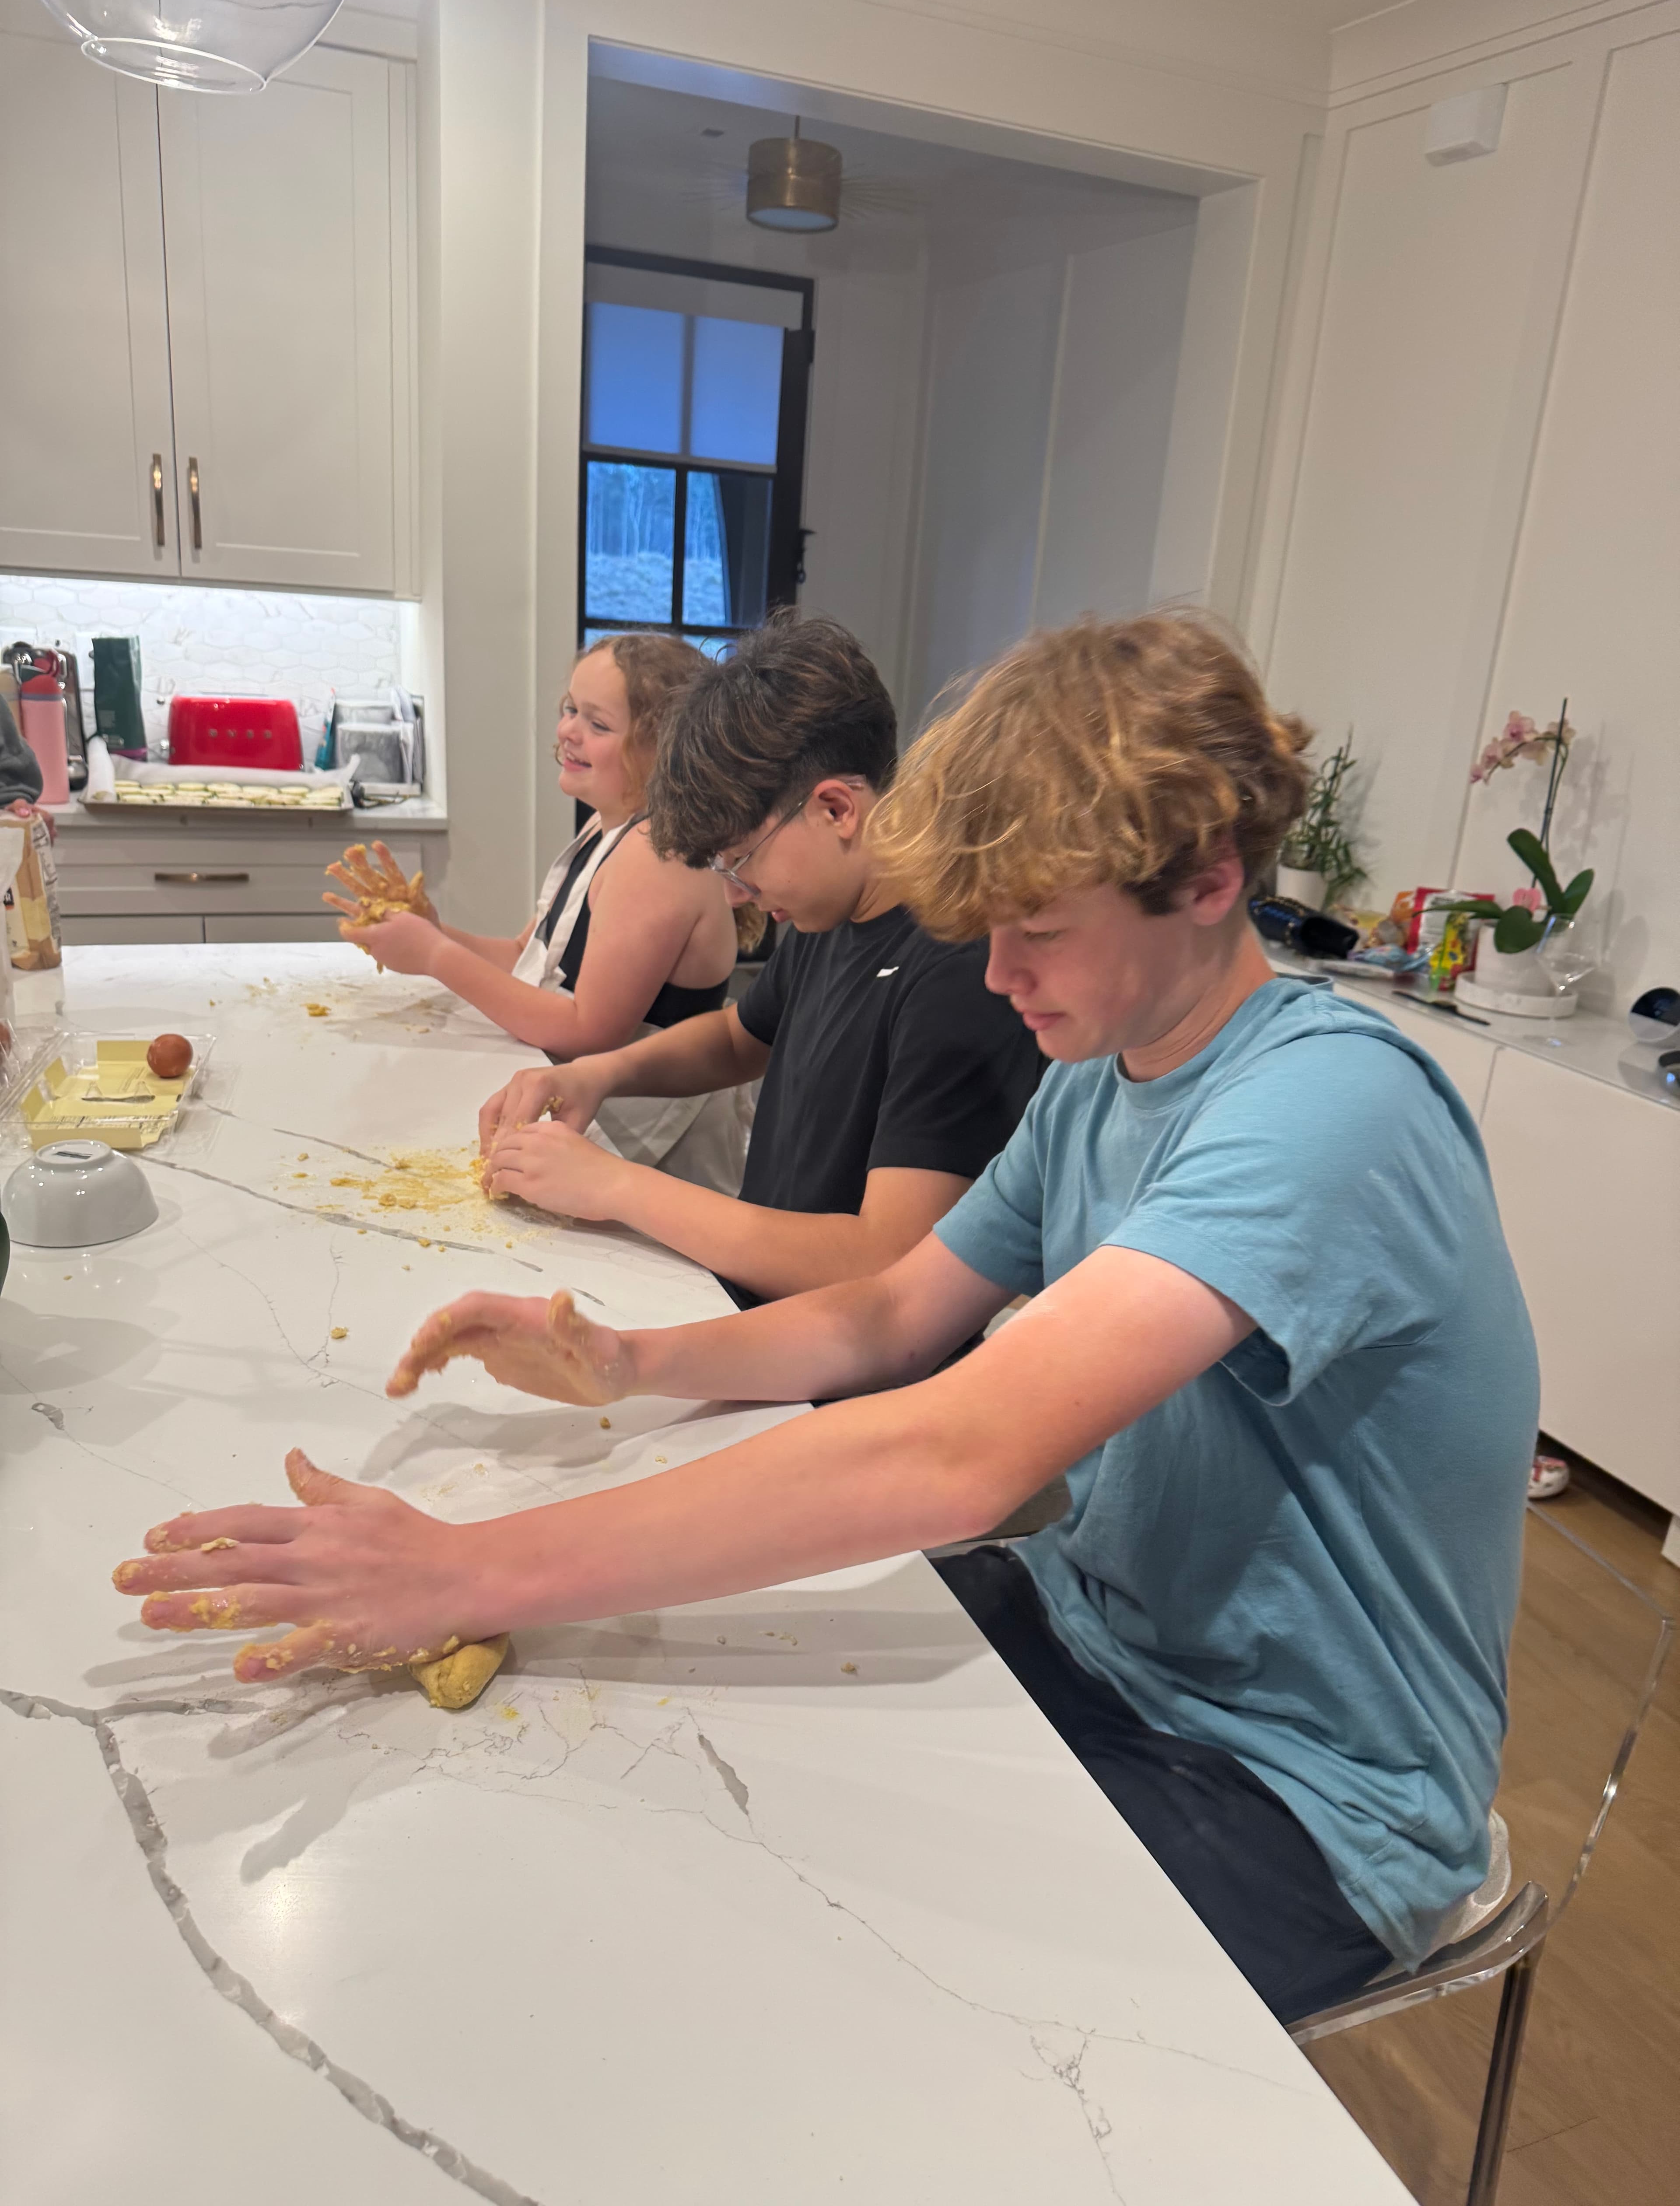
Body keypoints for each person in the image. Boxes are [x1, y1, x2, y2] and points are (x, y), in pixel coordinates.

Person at [115, 612, 1539, 2024]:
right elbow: (889, 1316)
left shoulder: (1326, 1108)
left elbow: (956, 1452)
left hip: (1306, 1787)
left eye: (1035, 931)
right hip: (1097, 1632)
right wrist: (625, 1360)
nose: (996, 977)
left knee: (834, 2003)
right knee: (666, 1806)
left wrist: (469, 1570)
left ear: (1211, 883)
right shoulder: (1105, 1078)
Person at [475, 612, 1041, 1305]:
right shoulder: (827, 909)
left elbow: (885, 1259)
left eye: (740, 859)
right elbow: (740, 1037)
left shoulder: (959, 971)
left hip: (843, 1369)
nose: (735, 890)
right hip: (764, 1306)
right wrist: (599, 1076)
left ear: (836, 809)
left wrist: (617, 1186)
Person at [325, 632, 746, 1182]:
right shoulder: (608, 827)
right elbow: (529, 956)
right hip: (594, 1119)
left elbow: (588, 1028)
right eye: (571, 709)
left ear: (663, 749)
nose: (568, 730)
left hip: (652, 1147)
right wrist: (435, 931)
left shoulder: (656, 857)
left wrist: (434, 957)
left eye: (598, 724)